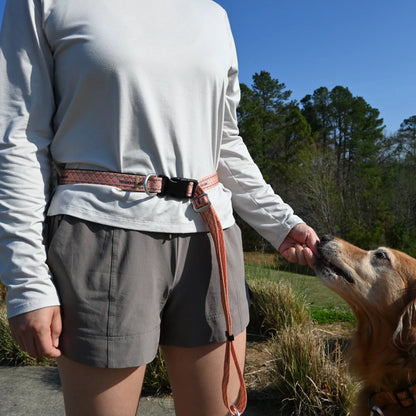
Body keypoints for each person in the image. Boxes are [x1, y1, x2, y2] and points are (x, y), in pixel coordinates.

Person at [0, 1, 319, 415]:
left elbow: (224, 142)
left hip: (211, 238)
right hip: (100, 235)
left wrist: (279, 222)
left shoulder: (213, 15)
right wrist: (27, 281)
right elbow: (20, 138)